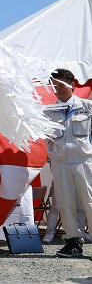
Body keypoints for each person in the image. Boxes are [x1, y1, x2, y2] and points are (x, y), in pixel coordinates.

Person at [44, 68, 92, 258]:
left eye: (61, 85)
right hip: (60, 163)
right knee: (65, 203)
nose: (58, 89)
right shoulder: (48, 112)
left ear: (72, 85)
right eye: (55, 86)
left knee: (89, 200)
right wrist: (53, 154)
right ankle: (72, 242)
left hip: (83, 160)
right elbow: (46, 137)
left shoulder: (87, 107)